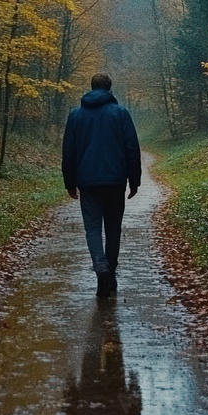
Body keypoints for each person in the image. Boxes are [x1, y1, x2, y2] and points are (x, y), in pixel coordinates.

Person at [61, 73, 141, 298]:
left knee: (93, 228)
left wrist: (70, 182)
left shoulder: (75, 116)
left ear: (91, 87)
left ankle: (101, 267)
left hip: (88, 182)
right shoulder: (121, 114)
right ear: (110, 88)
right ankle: (110, 273)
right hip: (116, 181)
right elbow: (132, 149)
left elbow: (69, 152)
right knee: (113, 229)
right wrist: (134, 182)